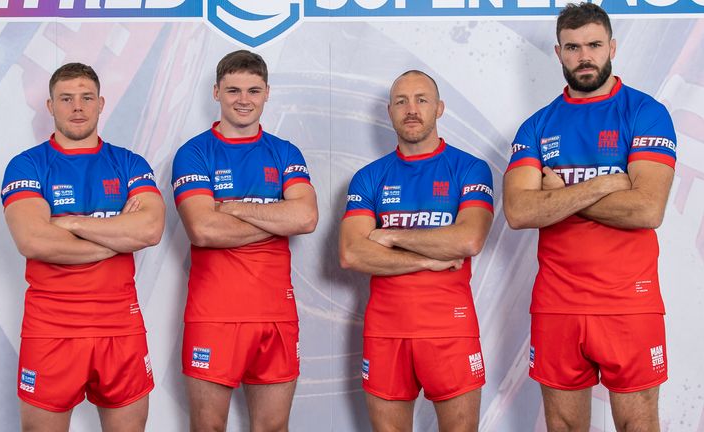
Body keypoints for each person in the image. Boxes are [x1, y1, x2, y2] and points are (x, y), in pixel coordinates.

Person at [503, 3, 676, 431]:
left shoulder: (645, 113)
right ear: (559, 52)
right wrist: (606, 183)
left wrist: (560, 196)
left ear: (612, 46)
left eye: (595, 45)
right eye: (574, 47)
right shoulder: (537, 126)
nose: (585, 57)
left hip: (628, 302)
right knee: (562, 425)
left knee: (637, 424)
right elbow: (520, 210)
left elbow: (646, 208)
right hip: (557, 303)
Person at [1, 63, 165, 432]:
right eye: (67, 98)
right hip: (52, 329)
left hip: (120, 328)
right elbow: (34, 240)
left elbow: (151, 228)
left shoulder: (128, 163)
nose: (78, 106)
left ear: (101, 103)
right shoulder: (27, 165)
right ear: (50, 106)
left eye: (86, 97)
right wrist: (118, 236)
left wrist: (72, 223)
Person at [339, 70, 494, 431]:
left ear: (439, 108)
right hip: (385, 331)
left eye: (421, 99)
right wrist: (427, 258)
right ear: (389, 111)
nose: (412, 109)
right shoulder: (369, 177)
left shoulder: (469, 168)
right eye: (401, 101)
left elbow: (468, 240)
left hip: (450, 329)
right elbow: (352, 253)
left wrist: (389, 234)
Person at [171, 50, 318, 432]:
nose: (243, 99)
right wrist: (277, 218)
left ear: (267, 93)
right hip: (214, 314)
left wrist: (232, 207)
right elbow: (203, 229)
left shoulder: (285, 153)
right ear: (216, 91)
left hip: (276, 313)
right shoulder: (195, 153)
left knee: (272, 428)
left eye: (253, 90)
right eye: (233, 89)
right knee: (209, 427)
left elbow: (305, 217)